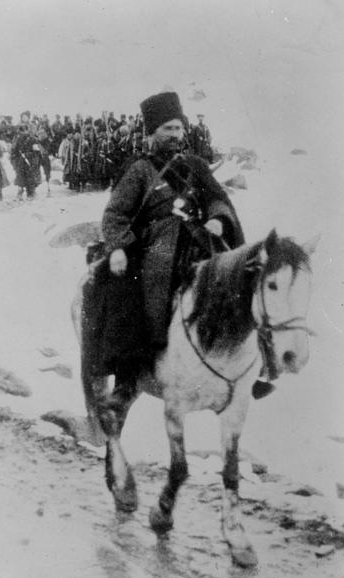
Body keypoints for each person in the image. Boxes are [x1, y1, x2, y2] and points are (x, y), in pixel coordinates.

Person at [85, 91, 244, 390]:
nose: (175, 134)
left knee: (238, 277)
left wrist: (219, 219)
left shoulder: (195, 165)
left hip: (198, 238)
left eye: (179, 128)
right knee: (130, 292)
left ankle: (244, 361)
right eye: (167, 128)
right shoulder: (139, 169)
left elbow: (217, 199)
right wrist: (118, 247)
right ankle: (130, 371)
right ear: (152, 133)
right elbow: (115, 214)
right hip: (153, 245)